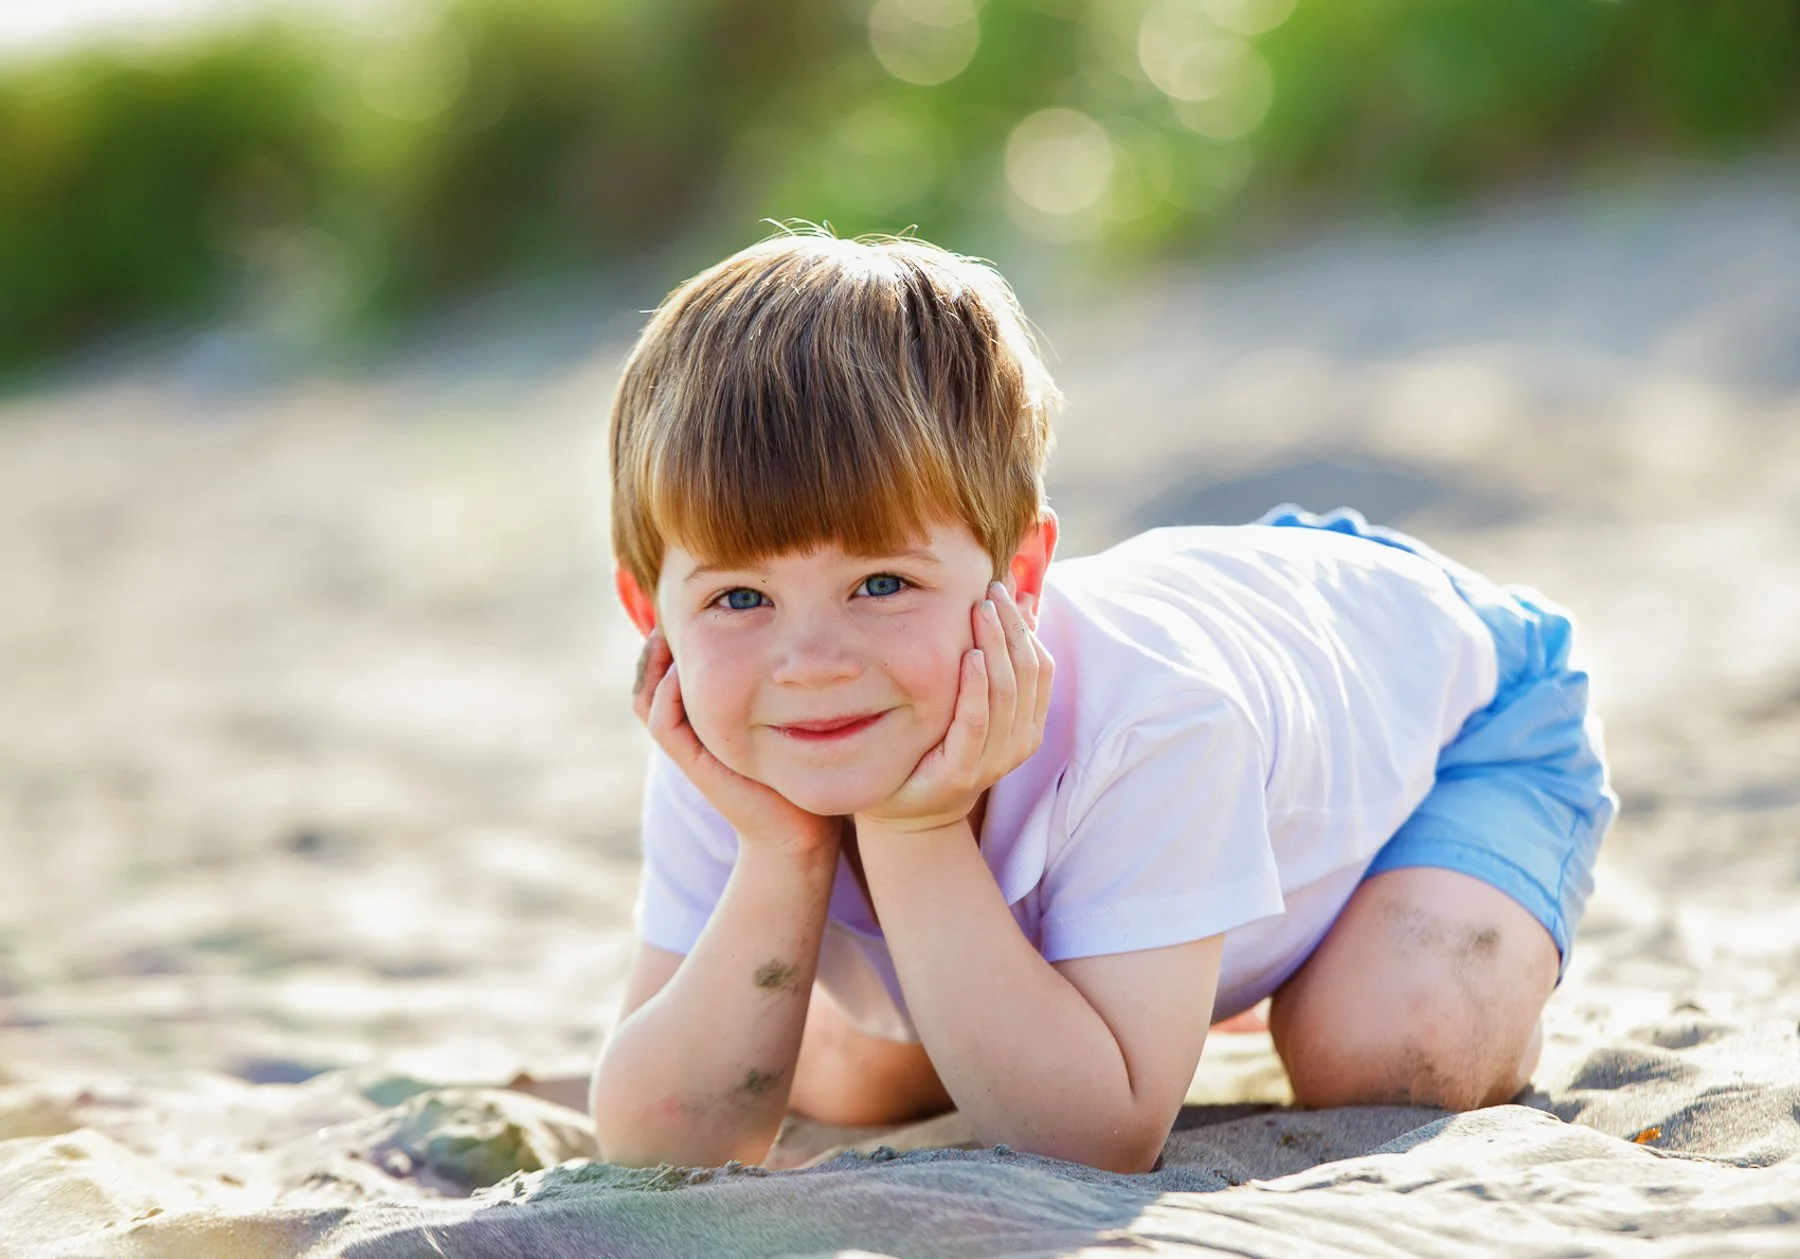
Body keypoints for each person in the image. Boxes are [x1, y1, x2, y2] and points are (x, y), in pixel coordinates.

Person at [587, 230, 1615, 1174]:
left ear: (1018, 573)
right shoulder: (736, 728)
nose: (809, 661)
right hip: (1256, 628)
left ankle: (1322, 937)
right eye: (739, 596)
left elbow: (1097, 1136)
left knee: (1388, 1049)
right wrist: (783, 851)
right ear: (654, 611)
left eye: (882, 583)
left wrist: (915, 828)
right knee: (862, 1076)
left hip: (1457, 706)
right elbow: (658, 1141)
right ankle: (1151, 959)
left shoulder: (1155, 719)